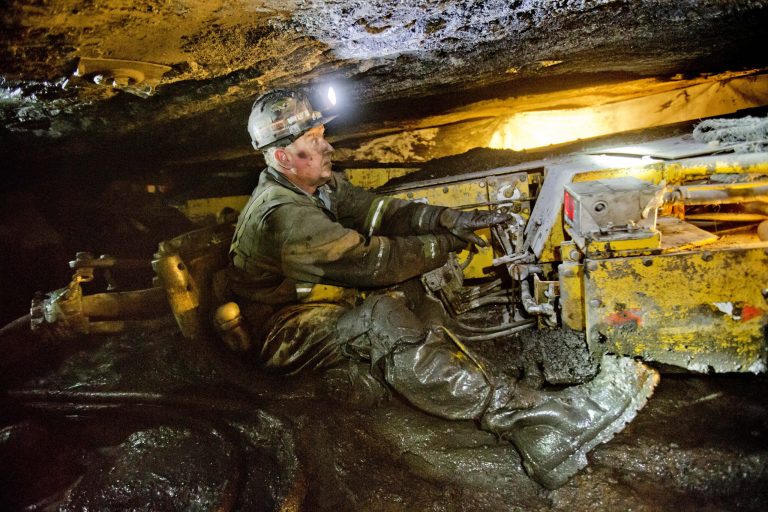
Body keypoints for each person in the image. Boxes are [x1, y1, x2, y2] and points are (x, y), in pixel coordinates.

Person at [221, 89, 658, 489]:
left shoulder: (318, 185)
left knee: (409, 287)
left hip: (321, 298)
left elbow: (378, 211)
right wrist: (442, 245)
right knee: (380, 318)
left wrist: (446, 220)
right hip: (284, 328)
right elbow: (373, 262)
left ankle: (465, 373)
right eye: (314, 142)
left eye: (322, 135)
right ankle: (540, 424)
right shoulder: (282, 215)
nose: (328, 146)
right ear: (282, 157)